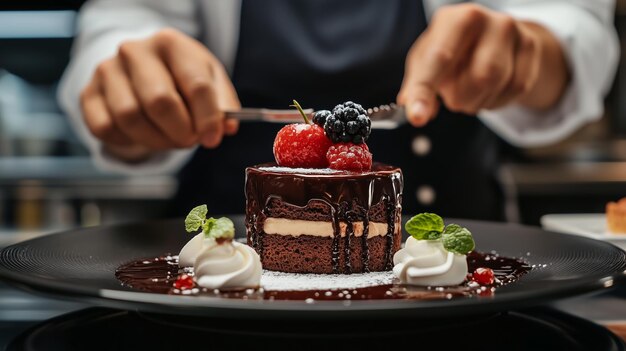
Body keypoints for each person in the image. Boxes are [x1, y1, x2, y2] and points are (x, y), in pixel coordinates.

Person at [58, 0, 618, 220]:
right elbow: (118, 29)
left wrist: (534, 53)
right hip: (216, 294)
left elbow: (575, 27)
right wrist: (129, 84)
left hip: (460, 289)